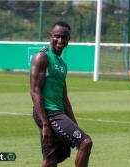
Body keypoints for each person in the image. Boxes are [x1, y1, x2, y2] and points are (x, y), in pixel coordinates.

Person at [30, 21, 92, 167]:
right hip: (48, 113)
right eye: (57, 36)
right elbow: (34, 90)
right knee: (85, 142)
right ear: (50, 36)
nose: (60, 40)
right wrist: (45, 123)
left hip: (58, 113)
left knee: (52, 158)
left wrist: (74, 124)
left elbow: (64, 98)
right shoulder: (42, 57)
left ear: (68, 40)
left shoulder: (62, 64)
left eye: (64, 37)